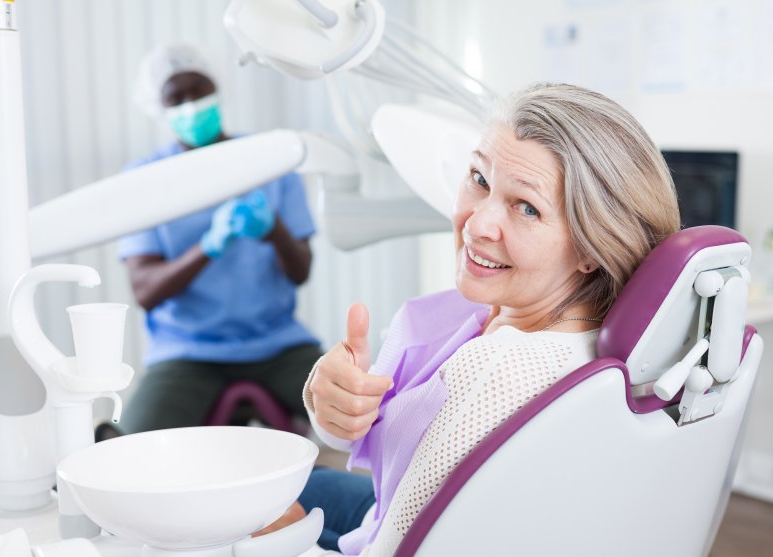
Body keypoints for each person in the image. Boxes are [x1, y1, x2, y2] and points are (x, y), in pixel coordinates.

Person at [265, 83, 681, 555]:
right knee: (307, 487)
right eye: (480, 179)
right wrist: (334, 402)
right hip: (384, 510)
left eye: (527, 208)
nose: (477, 223)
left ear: (591, 246)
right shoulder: (512, 316)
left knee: (251, 511)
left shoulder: (498, 370)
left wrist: (282, 546)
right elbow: (361, 430)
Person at [112, 43, 321, 436]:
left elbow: (301, 271)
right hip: (187, 354)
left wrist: (274, 229)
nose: (191, 105)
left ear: (218, 89)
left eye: (199, 90)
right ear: (159, 107)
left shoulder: (269, 162)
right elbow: (145, 290)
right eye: (176, 97)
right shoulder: (142, 180)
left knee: (365, 418)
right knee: (133, 445)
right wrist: (208, 247)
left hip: (278, 345)